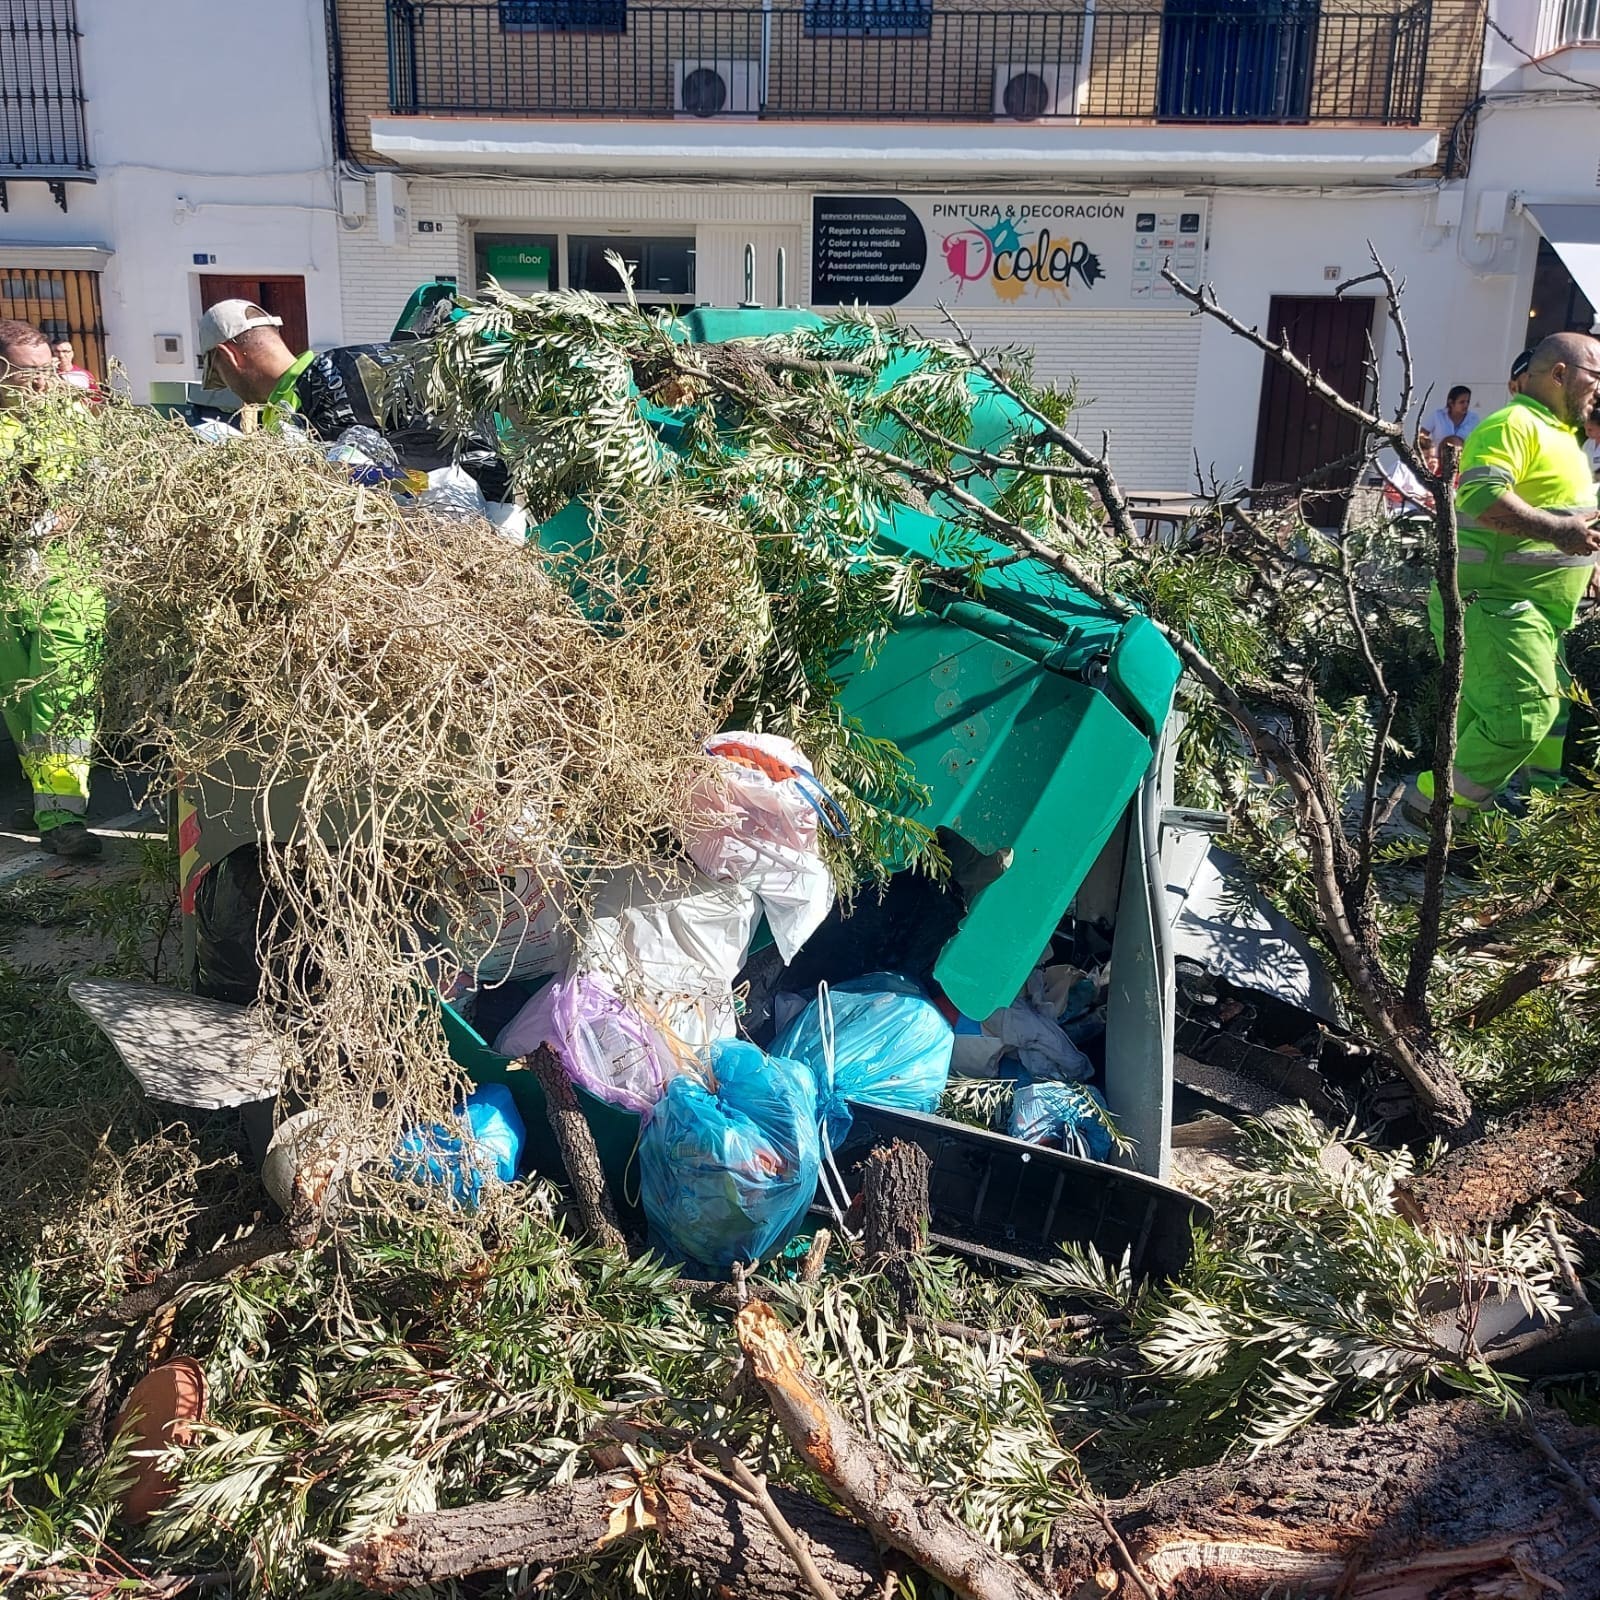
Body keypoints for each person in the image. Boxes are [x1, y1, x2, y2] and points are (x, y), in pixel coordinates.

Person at [1405, 331, 1600, 824]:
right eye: (1596, 377)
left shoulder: (1560, 436)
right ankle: (1428, 811)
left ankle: (1457, 827)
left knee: (1490, 719)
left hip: (1523, 612)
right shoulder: (1513, 424)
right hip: (1493, 606)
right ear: (1560, 374)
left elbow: (1565, 515)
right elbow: (1480, 494)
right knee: (1522, 716)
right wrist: (1559, 531)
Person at [0, 318, 103, 859]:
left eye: (50, 370)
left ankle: (63, 812)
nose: (47, 382)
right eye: (30, 374)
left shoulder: (72, 423)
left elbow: (99, 490)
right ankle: (47, 799)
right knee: (18, 698)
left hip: (67, 580)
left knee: (62, 697)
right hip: (7, 583)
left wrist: (62, 518)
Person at [197, 300, 361, 438]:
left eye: (219, 375)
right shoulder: (335, 374)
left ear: (229, 356)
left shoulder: (292, 410)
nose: (229, 388)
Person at [1422, 385, 1480, 452]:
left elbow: (1478, 441)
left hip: (1464, 460)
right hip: (1439, 459)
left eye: (1468, 402)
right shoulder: (1437, 416)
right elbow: (1422, 435)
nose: (1466, 405)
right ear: (1451, 402)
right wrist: (1429, 449)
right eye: (1462, 402)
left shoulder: (1473, 419)